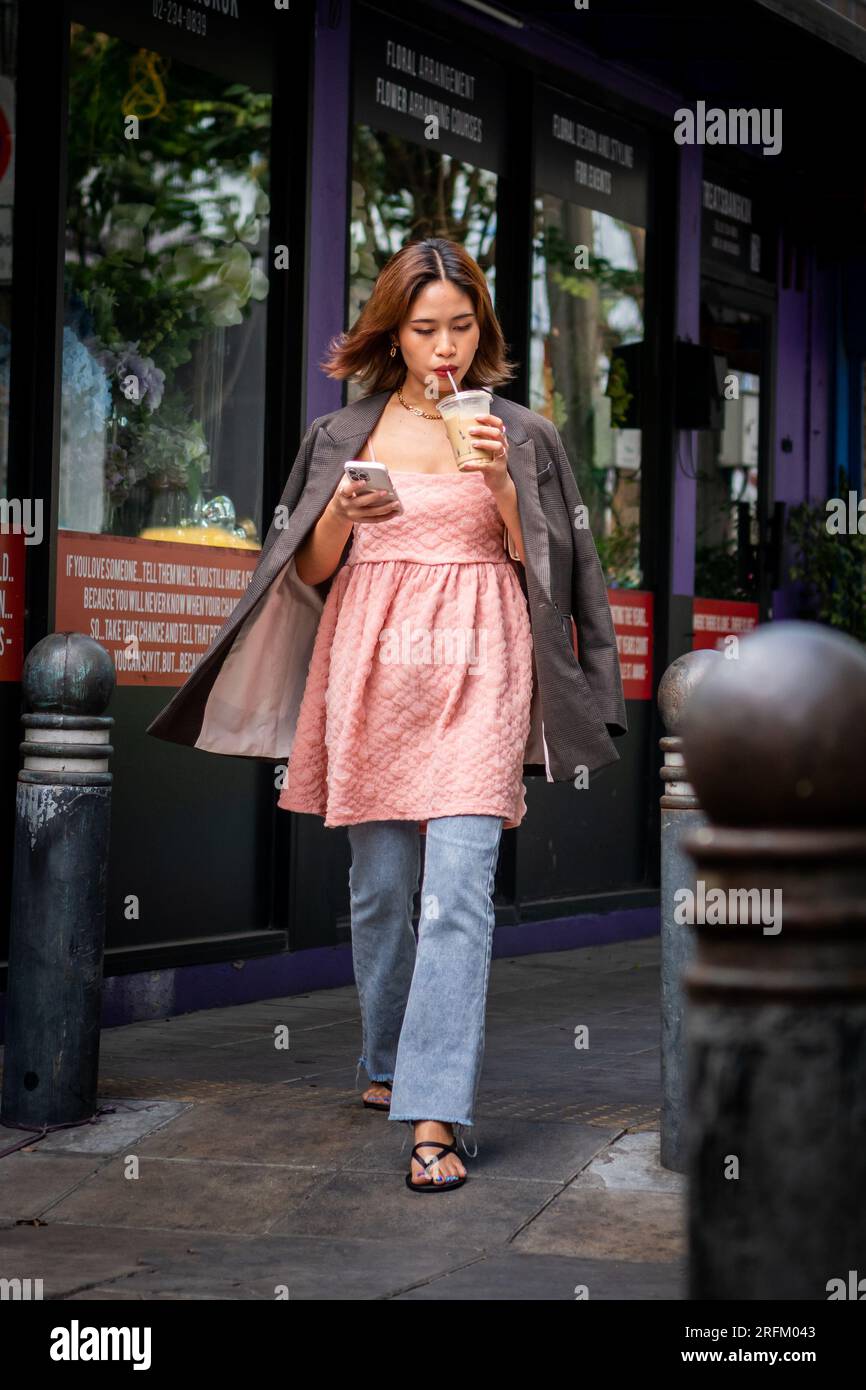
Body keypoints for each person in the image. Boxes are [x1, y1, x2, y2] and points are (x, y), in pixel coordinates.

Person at [146, 236, 627, 1194]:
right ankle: (385, 1056)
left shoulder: (522, 433)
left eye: (461, 325)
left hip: (478, 667)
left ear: (481, 329)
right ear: (391, 333)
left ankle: (434, 1116)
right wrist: (342, 515)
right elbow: (311, 569)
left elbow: (556, 573)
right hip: (371, 666)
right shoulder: (341, 433)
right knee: (380, 888)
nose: (444, 346)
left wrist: (497, 480)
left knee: (458, 893)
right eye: (424, 328)